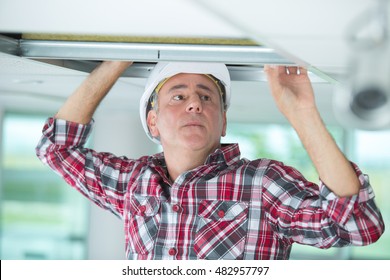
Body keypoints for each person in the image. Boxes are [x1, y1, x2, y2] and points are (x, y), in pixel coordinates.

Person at [36, 60, 384, 260]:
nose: (194, 104)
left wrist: (303, 113)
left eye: (206, 96)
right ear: (152, 122)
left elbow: (357, 224)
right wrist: (116, 60)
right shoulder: (134, 183)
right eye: (179, 95)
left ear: (223, 122)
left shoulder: (262, 183)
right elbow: (57, 148)